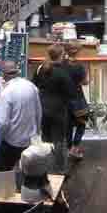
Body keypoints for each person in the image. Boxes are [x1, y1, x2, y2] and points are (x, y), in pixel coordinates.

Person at [33, 43, 77, 172]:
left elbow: (34, 85)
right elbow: (72, 93)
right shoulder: (62, 73)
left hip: (42, 107)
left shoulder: (40, 69)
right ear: (61, 56)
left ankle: (45, 167)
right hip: (58, 109)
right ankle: (59, 169)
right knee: (58, 139)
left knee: (45, 138)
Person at [0, 59, 41, 171]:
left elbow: (3, 122)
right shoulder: (31, 86)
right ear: (18, 72)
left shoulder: (6, 92)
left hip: (12, 140)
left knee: (3, 173)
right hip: (30, 140)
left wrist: (2, 136)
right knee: (29, 172)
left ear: (3, 75)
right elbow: (38, 112)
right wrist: (36, 133)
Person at [65, 44, 90, 160]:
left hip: (65, 99)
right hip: (77, 98)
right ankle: (75, 148)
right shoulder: (79, 66)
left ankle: (68, 147)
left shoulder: (62, 64)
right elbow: (85, 82)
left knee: (68, 125)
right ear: (77, 52)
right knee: (81, 123)